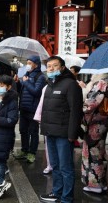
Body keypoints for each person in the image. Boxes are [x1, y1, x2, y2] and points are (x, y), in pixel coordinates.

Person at [39, 56, 83, 203]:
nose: (51, 69)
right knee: (55, 166)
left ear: (62, 67)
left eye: (54, 66)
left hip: (64, 134)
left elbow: (75, 111)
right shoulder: (49, 84)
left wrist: (72, 134)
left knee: (66, 167)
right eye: (49, 66)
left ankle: (67, 197)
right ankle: (56, 193)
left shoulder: (71, 85)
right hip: (50, 132)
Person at [81, 73, 108, 194]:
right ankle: (102, 182)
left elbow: (90, 104)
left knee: (92, 152)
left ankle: (95, 185)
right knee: (99, 151)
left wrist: (83, 96)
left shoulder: (101, 83)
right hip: (103, 121)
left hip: (96, 122)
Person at [14, 55, 46, 163]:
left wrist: (26, 82)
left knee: (33, 132)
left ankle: (32, 153)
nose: (28, 64)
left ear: (36, 64)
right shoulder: (26, 74)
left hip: (33, 109)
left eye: (30, 62)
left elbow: (36, 91)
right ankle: (24, 149)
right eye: (27, 62)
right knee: (23, 131)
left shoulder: (40, 77)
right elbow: (21, 91)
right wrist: (18, 83)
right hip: (23, 108)